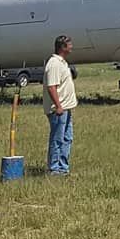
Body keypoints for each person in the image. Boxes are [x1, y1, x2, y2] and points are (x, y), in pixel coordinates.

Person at [44, 34, 78, 175]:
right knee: (57, 139)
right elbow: (52, 86)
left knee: (67, 138)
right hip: (58, 110)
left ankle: (63, 168)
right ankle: (54, 168)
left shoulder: (63, 62)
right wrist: (58, 106)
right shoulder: (54, 64)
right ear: (63, 47)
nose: (72, 47)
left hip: (66, 108)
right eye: (69, 44)